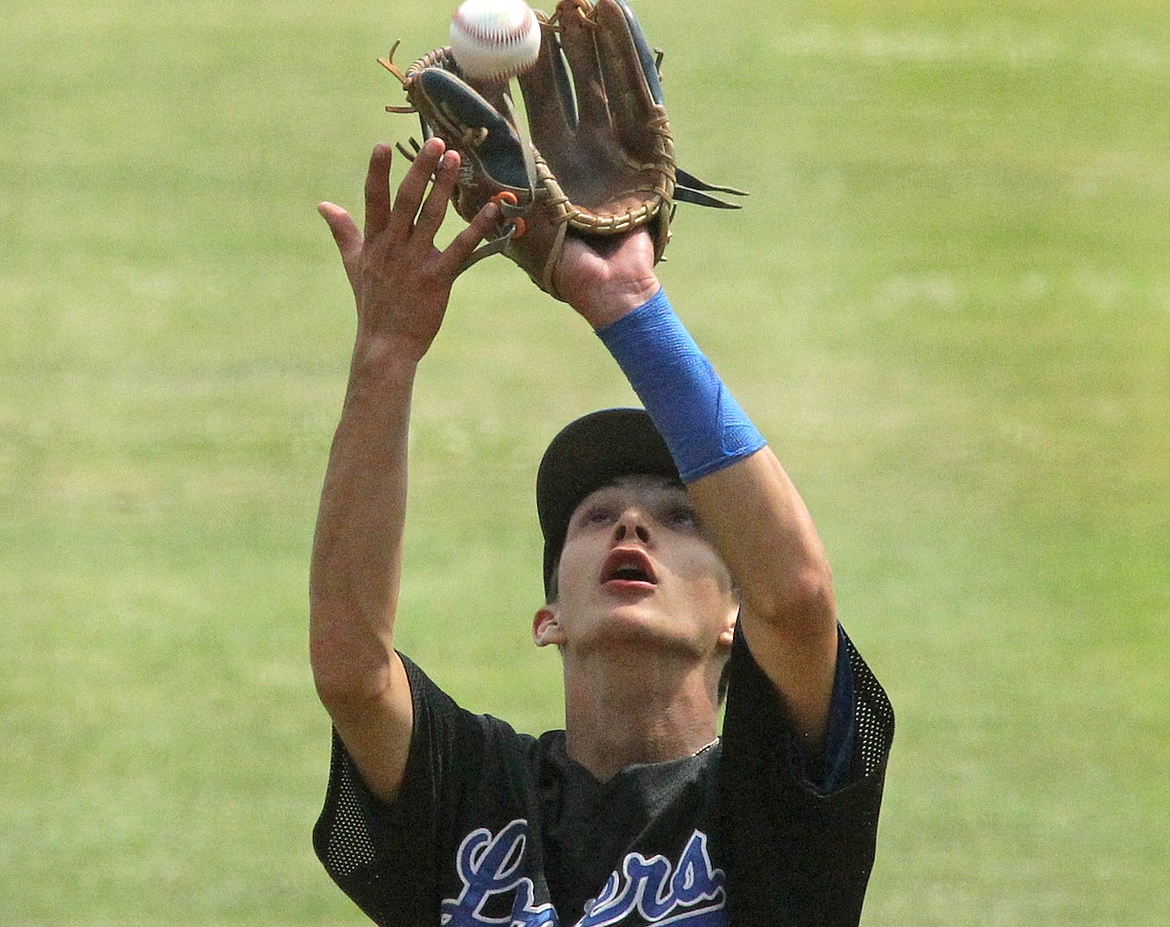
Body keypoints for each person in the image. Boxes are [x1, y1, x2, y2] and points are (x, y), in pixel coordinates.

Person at [309, 137, 894, 927]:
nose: (630, 524)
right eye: (594, 517)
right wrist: (385, 354)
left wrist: (631, 308)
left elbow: (795, 597)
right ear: (549, 618)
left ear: (735, 618)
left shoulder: (777, 802)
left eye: (681, 518)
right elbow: (351, 669)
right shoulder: (475, 791)